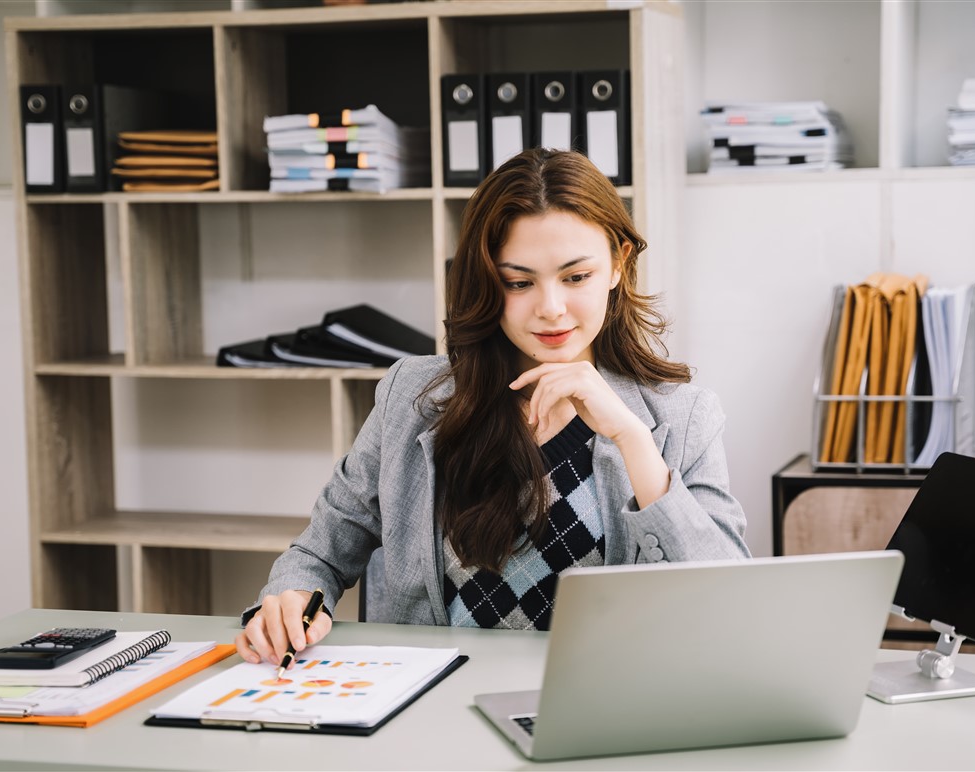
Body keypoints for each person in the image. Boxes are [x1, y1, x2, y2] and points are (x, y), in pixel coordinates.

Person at [235, 147, 750, 668]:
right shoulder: (411, 397)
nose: (551, 308)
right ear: (487, 281)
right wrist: (292, 599)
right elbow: (320, 551)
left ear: (617, 264)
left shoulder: (683, 416)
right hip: (432, 711)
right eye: (519, 282)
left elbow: (729, 606)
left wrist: (632, 438)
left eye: (576, 277)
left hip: (601, 713)